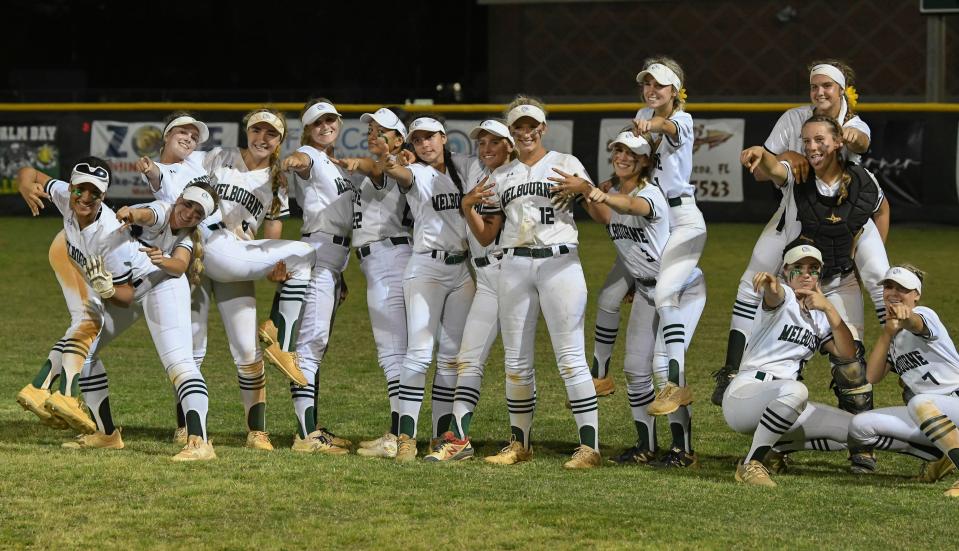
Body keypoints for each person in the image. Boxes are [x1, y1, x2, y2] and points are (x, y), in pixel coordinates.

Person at [713, 60, 890, 413]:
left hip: (845, 224)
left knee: (875, 290)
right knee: (756, 280)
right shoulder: (796, 119)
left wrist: (852, 136)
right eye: (815, 86)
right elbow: (772, 168)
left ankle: (898, 356)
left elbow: (863, 144)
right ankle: (735, 372)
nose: (820, 92)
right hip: (800, 214)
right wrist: (770, 155)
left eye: (828, 86)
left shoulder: (854, 132)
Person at [139, 110, 316, 451]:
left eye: (271, 134)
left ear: (280, 141)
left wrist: (274, 267)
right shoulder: (217, 157)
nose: (262, 138)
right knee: (192, 345)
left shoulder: (277, 178)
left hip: (235, 257)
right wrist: (156, 164)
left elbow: (272, 233)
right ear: (246, 131)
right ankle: (185, 426)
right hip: (194, 253)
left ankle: (257, 431)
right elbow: (176, 171)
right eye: (257, 130)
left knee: (247, 349)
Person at [18, 157, 216, 460]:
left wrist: (107, 288)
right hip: (129, 280)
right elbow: (148, 213)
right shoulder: (70, 197)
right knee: (84, 354)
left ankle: (199, 442)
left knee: (179, 363)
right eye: (187, 204)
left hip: (159, 286)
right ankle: (106, 434)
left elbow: (127, 292)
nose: (188, 213)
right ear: (178, 199)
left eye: (197, 212)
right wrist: (24, 183)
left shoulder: (114, 237)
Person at [739, 113, 888, 472]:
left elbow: (881, 209)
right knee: (786, 364)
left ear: (838, 142)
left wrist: (872, 246)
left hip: (839, 282)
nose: (812, 147)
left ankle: (862, 448)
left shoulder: (863, 182)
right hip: (796, 285)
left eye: (820, 140)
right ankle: (774, 445)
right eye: (806, 141)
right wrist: (762, 152)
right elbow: (776, 169)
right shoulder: (799, 175)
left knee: (851, 366)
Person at [466, 96, 601, 469]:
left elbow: (602, 214)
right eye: (518, 127)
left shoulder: (565, 163)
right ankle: (519, 443)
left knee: (571, 357)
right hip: (513, 265)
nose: (526, 132)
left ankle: (589, 447)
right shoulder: (500, 176)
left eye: (531, 126)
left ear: (543, 128)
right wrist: (468, 208)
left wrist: (585, 189)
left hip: (559, 262)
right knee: (516, 360)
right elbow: (487, 236)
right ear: (511, 133)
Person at [341, 115, 475, 462]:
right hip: (424, 264)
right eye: (418, 139)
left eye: (429, 137)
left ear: (444, 137)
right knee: (414, 353)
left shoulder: (464, 167)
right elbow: (395, 171)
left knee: (444, 357)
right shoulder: (414, 169)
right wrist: (390, 159)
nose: (424, 144)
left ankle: (439, 438)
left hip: (454, 267)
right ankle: (405, 438)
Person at [574, 131, 706, 467]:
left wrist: (594, 192)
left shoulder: (651, 195)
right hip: (647, 288)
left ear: (645, 160)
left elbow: (633, 206)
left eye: (631, 152)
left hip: (682, 290)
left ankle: (683, 451)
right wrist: (589, 196)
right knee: (635, 370)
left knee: (663, 370)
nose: (622, 156)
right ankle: (645, 446)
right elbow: (608, 213)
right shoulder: (612, 194)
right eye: (618, 150)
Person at [723, 245, 857, 487]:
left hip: (783, 401)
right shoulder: (783, 295)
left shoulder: (820, 315)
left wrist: (828, 307)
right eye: (798, 269)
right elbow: (774, 294)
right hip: (746, 394)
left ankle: (774, 448)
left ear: (820, 274)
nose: (806, 275)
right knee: (797, 391)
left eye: (813, 269)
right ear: (786, 271)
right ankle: (750, 464)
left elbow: (848, 353)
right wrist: (770, 283)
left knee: (855, 430)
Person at [425, 119, 514, 462]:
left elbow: (485, 236)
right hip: (487, 279)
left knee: (525, 363)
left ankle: (524, 441)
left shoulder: (512, 177)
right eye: (483, 143)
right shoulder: (480, 173)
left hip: (514, 276)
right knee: (469, 360)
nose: (487, 148)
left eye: (495, 142)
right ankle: (459, 439)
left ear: (510, 145)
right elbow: (440, 160)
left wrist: (465, 206)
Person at [279, 98, 357, 455]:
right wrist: (294, 159)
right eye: (318, 122)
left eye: (331, 120)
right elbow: (301, 162)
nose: (326, 126)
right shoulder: (310, 154)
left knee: (316, 346)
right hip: (318, 253)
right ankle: (305, 435)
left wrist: (342, 274)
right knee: (310, 345)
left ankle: (312, 426)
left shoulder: (334, 164)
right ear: (308, 129)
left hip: (334, 259)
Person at [337, 107, 413, 459]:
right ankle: (398, 432)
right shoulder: (395, 163)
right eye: (370, 127)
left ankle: (398, 437)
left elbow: (377, 169)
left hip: (390, 259)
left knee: (393, 352)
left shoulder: (393, 165)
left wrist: (361, 163)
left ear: (398, 138)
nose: (372, 133)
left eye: (381, 130)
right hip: (381, 260)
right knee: (395, 352)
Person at [632, 57, 706, 416]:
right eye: (647, 84)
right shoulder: (643, 116)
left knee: (664, 291)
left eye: (659, 85)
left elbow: (669, 127)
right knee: (620, 291)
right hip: (657, 220)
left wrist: (652, 123)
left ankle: (675, 386)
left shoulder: (681, 119)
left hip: (684, 219)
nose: (651, 90)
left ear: (675, 90)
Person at [848, 266, 959, 497]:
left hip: (953, 403)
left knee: (919, 401)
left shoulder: (926, 315)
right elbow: (872, 377)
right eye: (889, 286)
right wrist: (888, 333)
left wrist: (904, 316)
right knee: (860, 426)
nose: (893, 292)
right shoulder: (894, 337)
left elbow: (915, 322)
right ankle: (946, 454)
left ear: (916, 294)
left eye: (902, 288)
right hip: (932, 416)